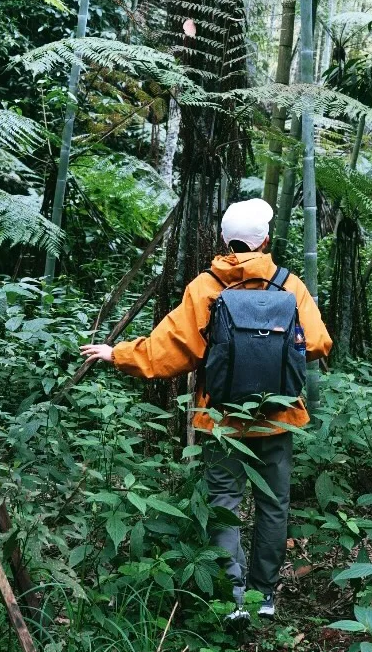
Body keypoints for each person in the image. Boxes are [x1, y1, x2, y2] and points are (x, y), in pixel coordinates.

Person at [80, 197, 332, 621]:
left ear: (224, 241)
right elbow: (319, 344)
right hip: (278, 419)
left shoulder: (207, 287)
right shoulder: (290, 285)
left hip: (222, 419)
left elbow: (169, 351)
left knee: (224, 504)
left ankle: (233, 600)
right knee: (274, 506)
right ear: (266, 241)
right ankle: (264, 597)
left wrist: (117, 352)